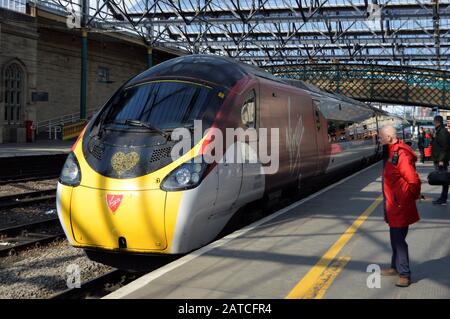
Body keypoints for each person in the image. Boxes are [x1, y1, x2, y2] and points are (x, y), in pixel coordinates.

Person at [379, 125, 421, 287]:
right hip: (393, 203)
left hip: (399, 205)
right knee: (395, 238)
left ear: (389, 138)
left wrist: (413, 195)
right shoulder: (391, 151)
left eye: (381, 137)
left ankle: (405, 274)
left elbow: (413, 180)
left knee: (398, 240)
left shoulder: (400, 154)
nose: (379, 140)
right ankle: (394, 267)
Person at [431, 115, 450, 205]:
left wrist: (441, 160)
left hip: (441, 160)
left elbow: (444, 147)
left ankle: (443, 199)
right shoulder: (440, 131)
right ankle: (443, 198)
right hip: (439, 159)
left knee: (444, 179)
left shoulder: (442, 131)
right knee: (443, 179)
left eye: (434, 121)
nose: (433, 123)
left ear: (437, 121)